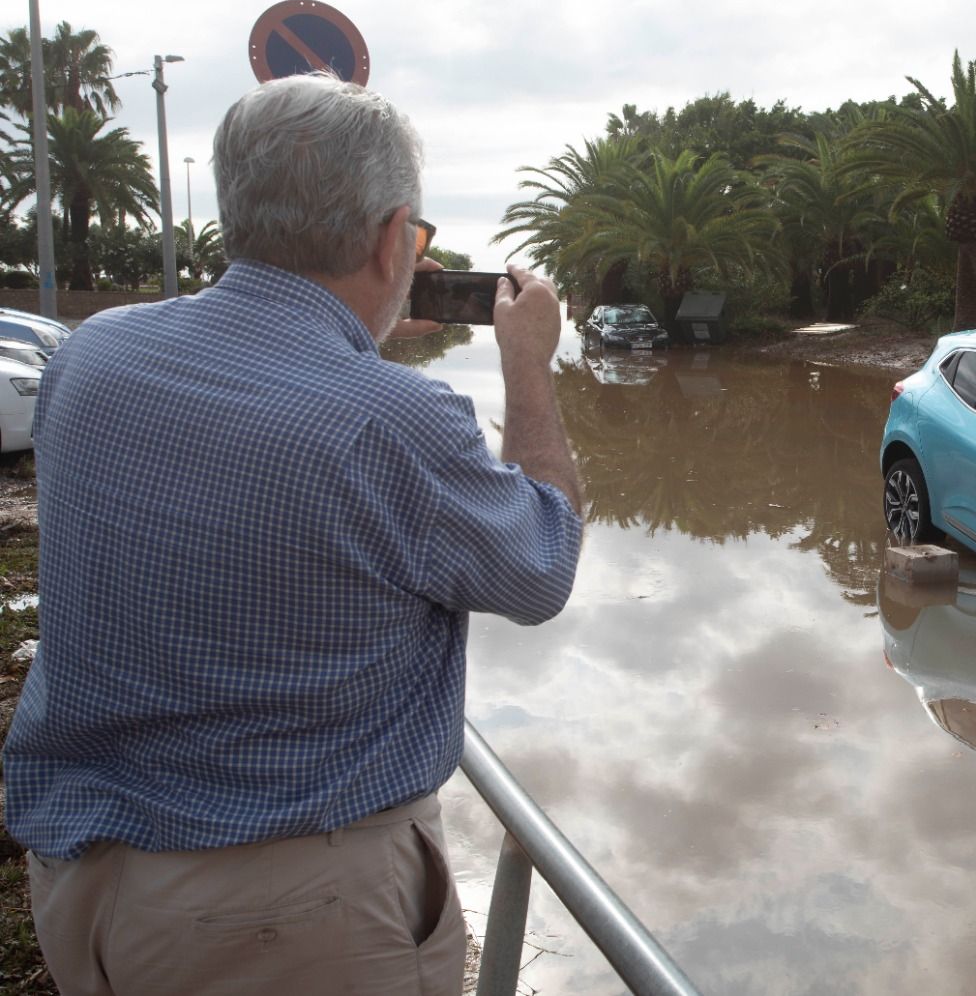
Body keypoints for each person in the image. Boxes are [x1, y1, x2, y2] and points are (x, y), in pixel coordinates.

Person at [1, 74, 583, 994]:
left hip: (84, 876)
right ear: (395, 238)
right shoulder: (402, 422)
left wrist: (367, 328)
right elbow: (541, 565)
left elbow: (275, 410)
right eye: (415, 237)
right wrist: (529, 369)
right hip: (286, 919)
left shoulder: (91, 355)